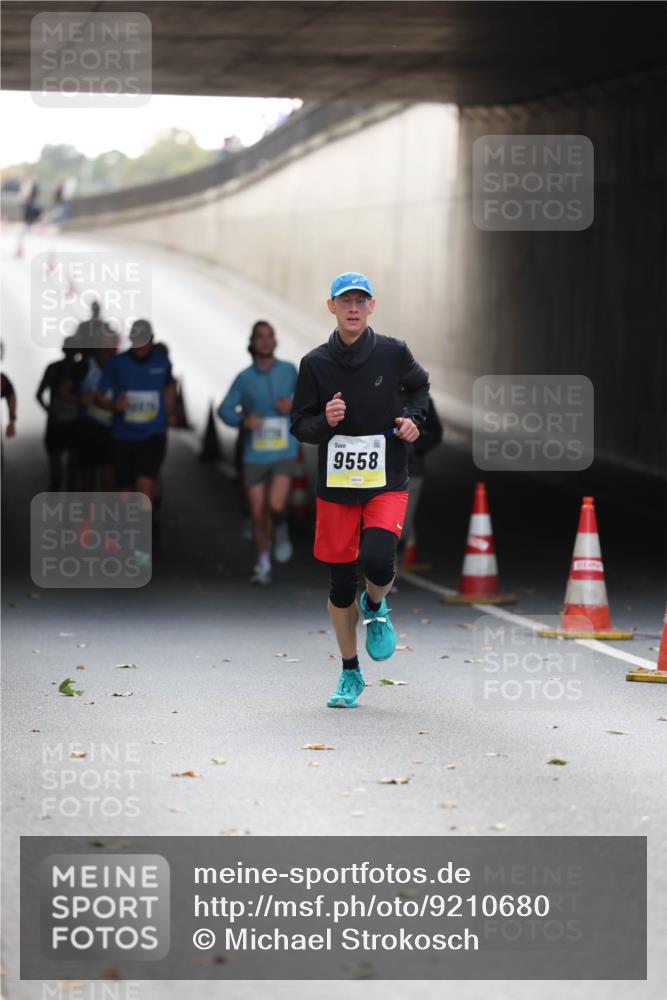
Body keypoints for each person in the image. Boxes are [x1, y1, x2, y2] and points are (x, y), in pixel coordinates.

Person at [291, 272, 429, 708]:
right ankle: (350, 672)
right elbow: (299, 425)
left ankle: (375, 605)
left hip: (386, 476)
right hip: (336, 487)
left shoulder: (393, 352)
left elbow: (419, 388)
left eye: (360, 300)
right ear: (330, 307)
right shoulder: (315, 364)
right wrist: (325, 421)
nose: (353, 307)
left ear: (372, 307)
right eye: (344, 301)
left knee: (378, 559)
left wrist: (413, 420)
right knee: (338, 585)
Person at [218, 321, 299, 585]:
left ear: (275, 342)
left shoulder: (289, 371)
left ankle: (282, 526)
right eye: (260, 337)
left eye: (270, 336)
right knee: (256, 511)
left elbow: (312, 402)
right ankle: (263, 561)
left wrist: (293, 405)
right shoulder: (244, 379)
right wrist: (243, 420)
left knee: (274, 505)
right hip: (255, 454)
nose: (265, 341)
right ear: (252, 342)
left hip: (284, 451)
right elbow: (224, 410)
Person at [94, 319, 176, 525]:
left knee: (145, 486)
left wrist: (168, 413)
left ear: (152, 339)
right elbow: (98, 395)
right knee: (126, 492)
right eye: (137, 339)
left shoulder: (162, 362)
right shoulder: (116, 363)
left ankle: (142, 541)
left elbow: (169, 386)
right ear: (131, 339)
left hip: (152, 435)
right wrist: (113, 405)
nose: (142, 343)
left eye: (145, 339)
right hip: (123, 436)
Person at [398, 395, 443, 566]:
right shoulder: (375, 390)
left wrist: (414, 448)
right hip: (378, 471)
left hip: (411, 471)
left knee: (401, 526)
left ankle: (386, 575)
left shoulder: (419, 398)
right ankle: (374, 575)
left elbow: (435, 432)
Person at [36, 342, 85, 490]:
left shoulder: (54, 368)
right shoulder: (80, 369)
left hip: (59, 422)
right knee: (70, 469)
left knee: (59, 469)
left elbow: (39, 394)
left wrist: (49, 410)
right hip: (71, 423)